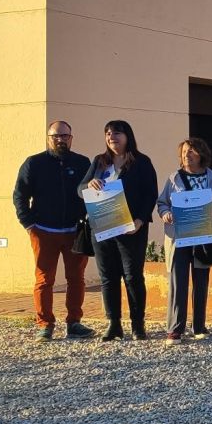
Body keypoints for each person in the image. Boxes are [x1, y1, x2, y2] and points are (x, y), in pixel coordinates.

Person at [13, 120, 95, 342]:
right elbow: (20, 195)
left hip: (75, 231)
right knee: (44, 279)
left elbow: (91, 193)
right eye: (56, 136)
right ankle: (45, 324)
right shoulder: (34, 163)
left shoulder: (83, 163)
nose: (60, 140)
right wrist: (29, 225)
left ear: (71, 138)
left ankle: (74, 323)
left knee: (76, 278)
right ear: (48, 138)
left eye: (64, 136)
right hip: (43, 231)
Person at [79, 120, 159, 342]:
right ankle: (113, 324)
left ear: (127, 136)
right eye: (107, 133)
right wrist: (88, 185)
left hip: (131, 229)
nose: (111, 137)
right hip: (102, 228)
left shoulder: (141, 162)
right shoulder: (99, 161)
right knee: (108, 277)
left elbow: (150, 194)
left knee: (133, 277)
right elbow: (80, 189)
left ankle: (137, 324)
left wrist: (140, 221)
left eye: (116, 133)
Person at [156, 138, 212, 345]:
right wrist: (165, 213)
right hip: (178, 237)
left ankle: (199, 326)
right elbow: (162, 202)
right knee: (177, 282)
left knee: (201, 281)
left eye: (191, 151)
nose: (186, 155)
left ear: (201, 154)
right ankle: (175, 329)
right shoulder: (173, 178)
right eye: (184, 151)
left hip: (202, 236)